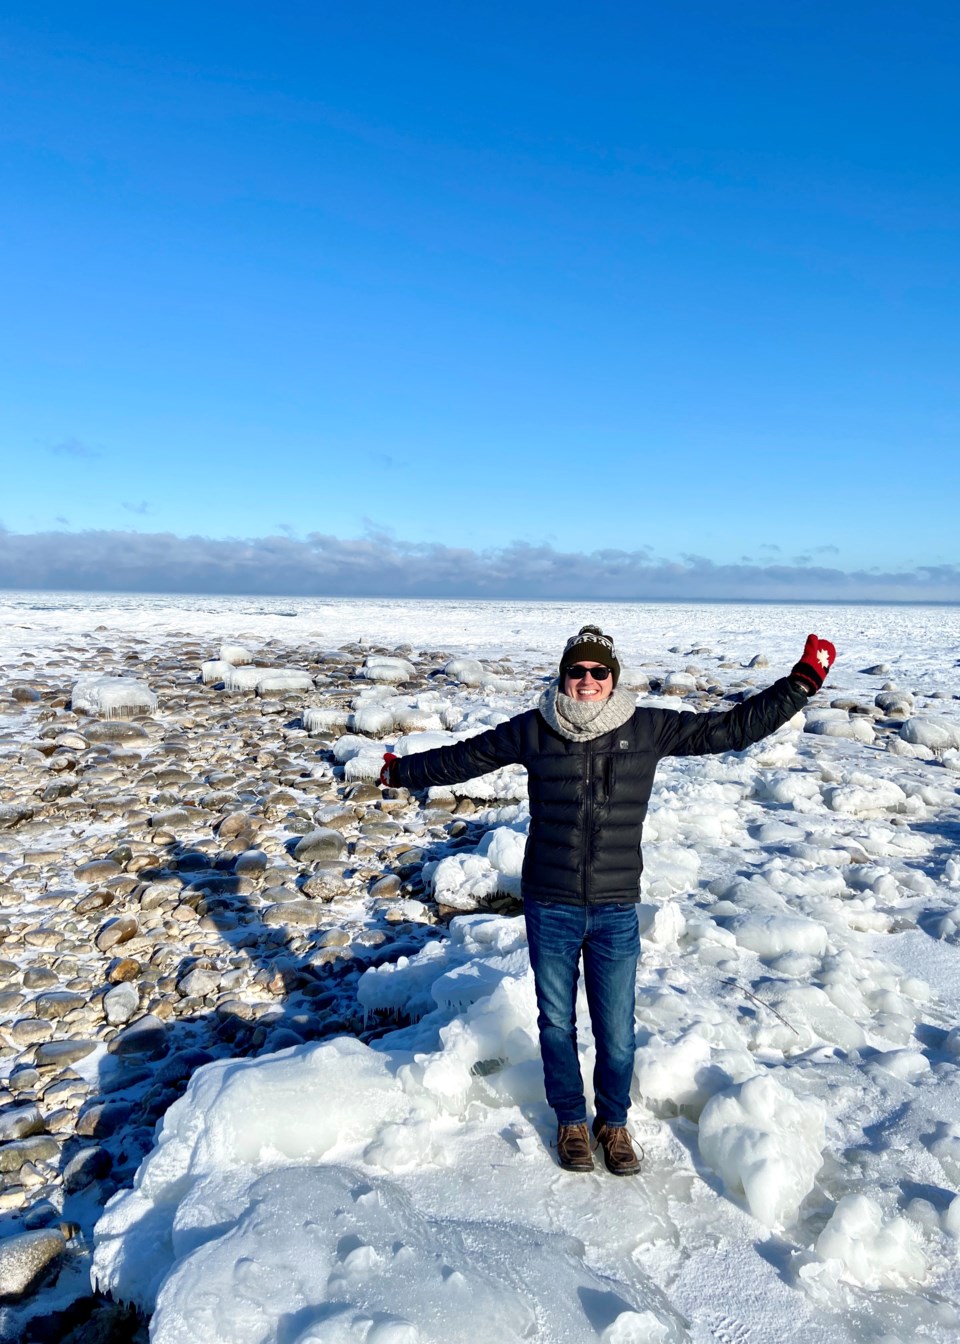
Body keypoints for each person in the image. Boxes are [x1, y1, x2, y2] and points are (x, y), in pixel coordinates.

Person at [380, 625, 836, 1175]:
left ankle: (612, 1124)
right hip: (550, 903)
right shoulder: (536, 729)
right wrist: (400, 770)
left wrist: (802, 682)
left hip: (616, 907)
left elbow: (732, 729)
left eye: (599, 672)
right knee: (555, 1024)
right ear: (564, 676)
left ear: (613, 678)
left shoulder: (649, 728)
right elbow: (464, 758)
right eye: (578, 671)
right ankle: (571, 1120)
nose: (588, 680)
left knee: (616, 1031)